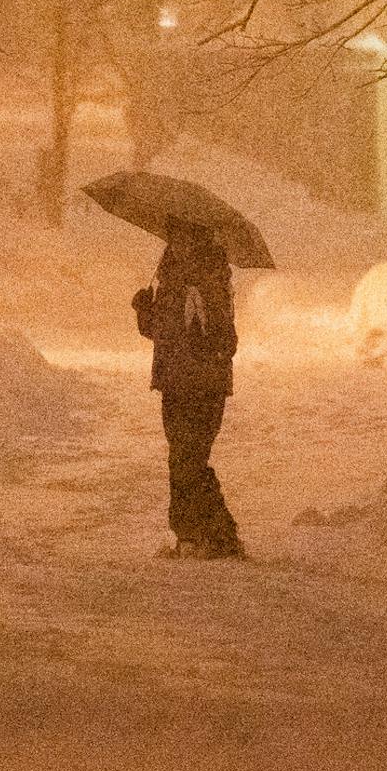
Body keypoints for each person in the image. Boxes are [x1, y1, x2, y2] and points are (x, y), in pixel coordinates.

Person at [132, 218, 244, 559]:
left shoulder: (211, 279)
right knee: (185, 458)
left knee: (187, 458)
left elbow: (228, 341)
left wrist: (203, 334)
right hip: (174, 381)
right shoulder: (168, 277)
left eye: (182, 236)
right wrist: (143, 311)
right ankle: (213, 535)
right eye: (173, 236)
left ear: (198, 237)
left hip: (204, 385)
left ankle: (195, 535)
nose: (176, 242)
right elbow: (161, 333)